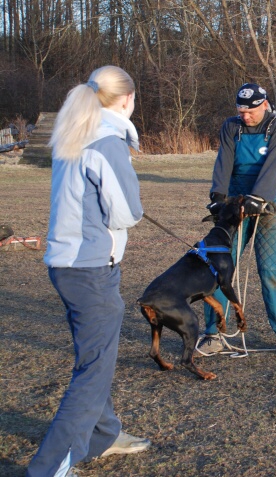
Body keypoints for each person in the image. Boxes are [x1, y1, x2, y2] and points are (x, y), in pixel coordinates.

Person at [26, 66, 151, 477]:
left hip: (66, 267)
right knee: (92, 374)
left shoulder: (74, 131)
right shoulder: (107, 141)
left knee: (95, 360)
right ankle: (47, 469)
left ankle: (103, 435)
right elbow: (128, 212)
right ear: (127, 100)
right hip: (91, 271)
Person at [197, 83, 276, 358]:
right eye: (241, 110)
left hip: (269, 203)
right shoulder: (231, 127)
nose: (246, 116)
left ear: (264, 104)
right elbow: (224, 161)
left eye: (251, 110)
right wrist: (218, 196)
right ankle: (213, 333)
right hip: (235, 204)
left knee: (271, 269)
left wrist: (259, 198)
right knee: (219, 267)